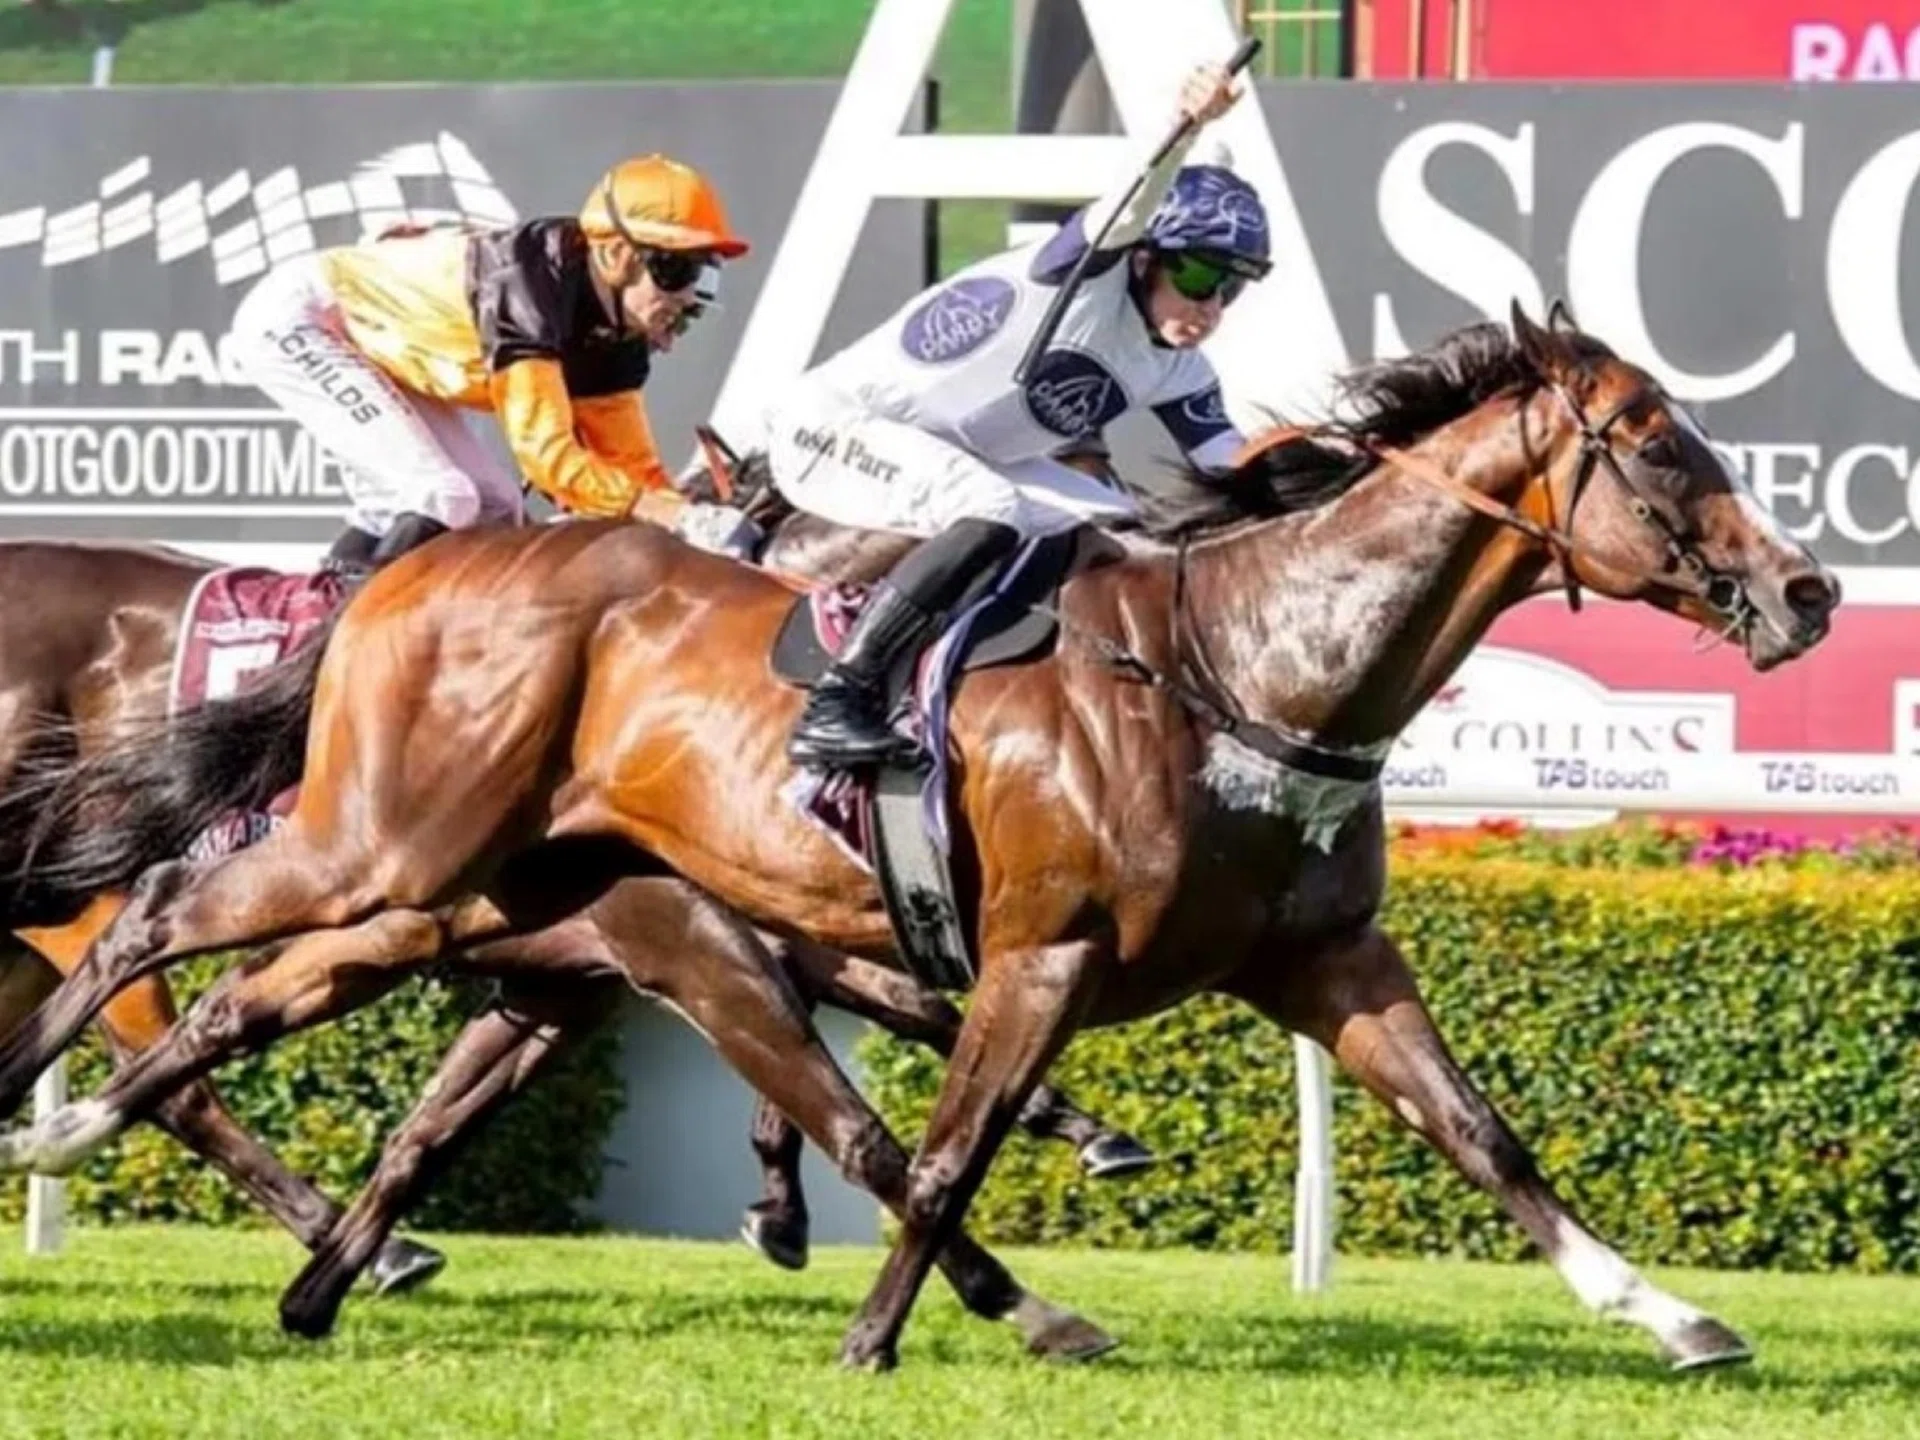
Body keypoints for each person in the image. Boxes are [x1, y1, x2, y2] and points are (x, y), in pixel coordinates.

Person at [765, 61, 1271, 769]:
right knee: (990, 507)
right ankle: (839, 701)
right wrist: (1185, 125)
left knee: (1126, 529)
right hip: (831, 429)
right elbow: (1129, 202)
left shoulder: (1182, 370)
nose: (1210, 307)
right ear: (1144, 260)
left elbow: (1238, 473)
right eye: (1197, 277)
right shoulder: (1079, 275)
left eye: (1231, 289)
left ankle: (1024, 687)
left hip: (967, 452)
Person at [227, 154, 749, 576]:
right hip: (307, 320)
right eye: (676, 268)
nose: (688, 292)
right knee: (442, 494)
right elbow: (548, 461)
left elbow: (634, 473)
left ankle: (338, 595)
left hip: (383, 350)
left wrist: (698, 525)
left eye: (706, 274)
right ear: (614, 255)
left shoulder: (617, 335)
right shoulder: (527, 287)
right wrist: (673, 514)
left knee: (498, 510)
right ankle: (335, 652)